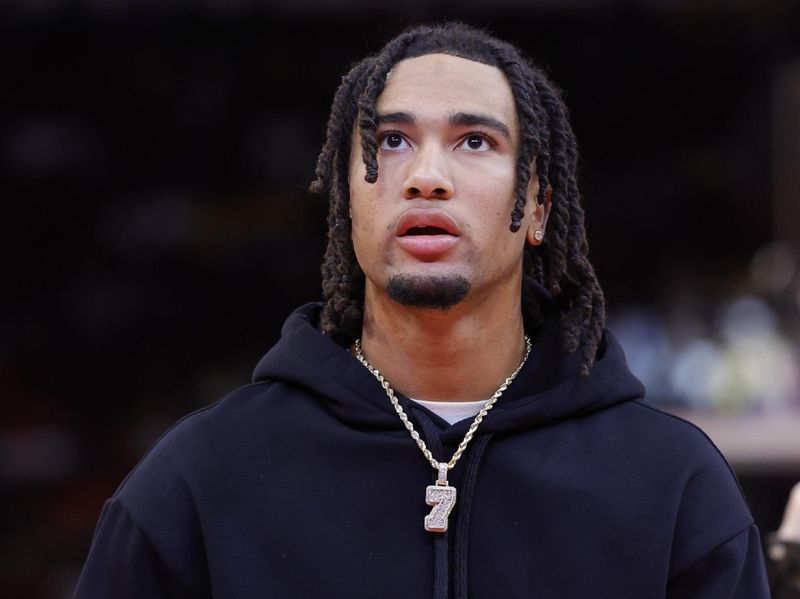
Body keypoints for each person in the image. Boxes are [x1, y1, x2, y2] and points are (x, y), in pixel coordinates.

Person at [74, 22, 770, 598]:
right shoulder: (198, 481)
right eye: (390, 141)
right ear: (348, 206)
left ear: (536, 207)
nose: (426, 175)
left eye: (475, 141)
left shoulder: (672, 486)